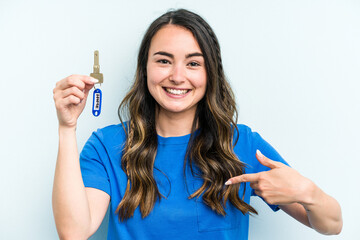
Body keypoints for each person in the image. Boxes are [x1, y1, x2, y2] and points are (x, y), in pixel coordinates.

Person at [52, 9, 342, 240]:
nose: (178, 76)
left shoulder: (242, 144)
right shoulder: (106, 146)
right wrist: (67, 129)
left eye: (193, 63)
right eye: (164, 61)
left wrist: (308, 193)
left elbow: (332, 224)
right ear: (145, 69)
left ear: (210, 73)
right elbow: (74, 232)